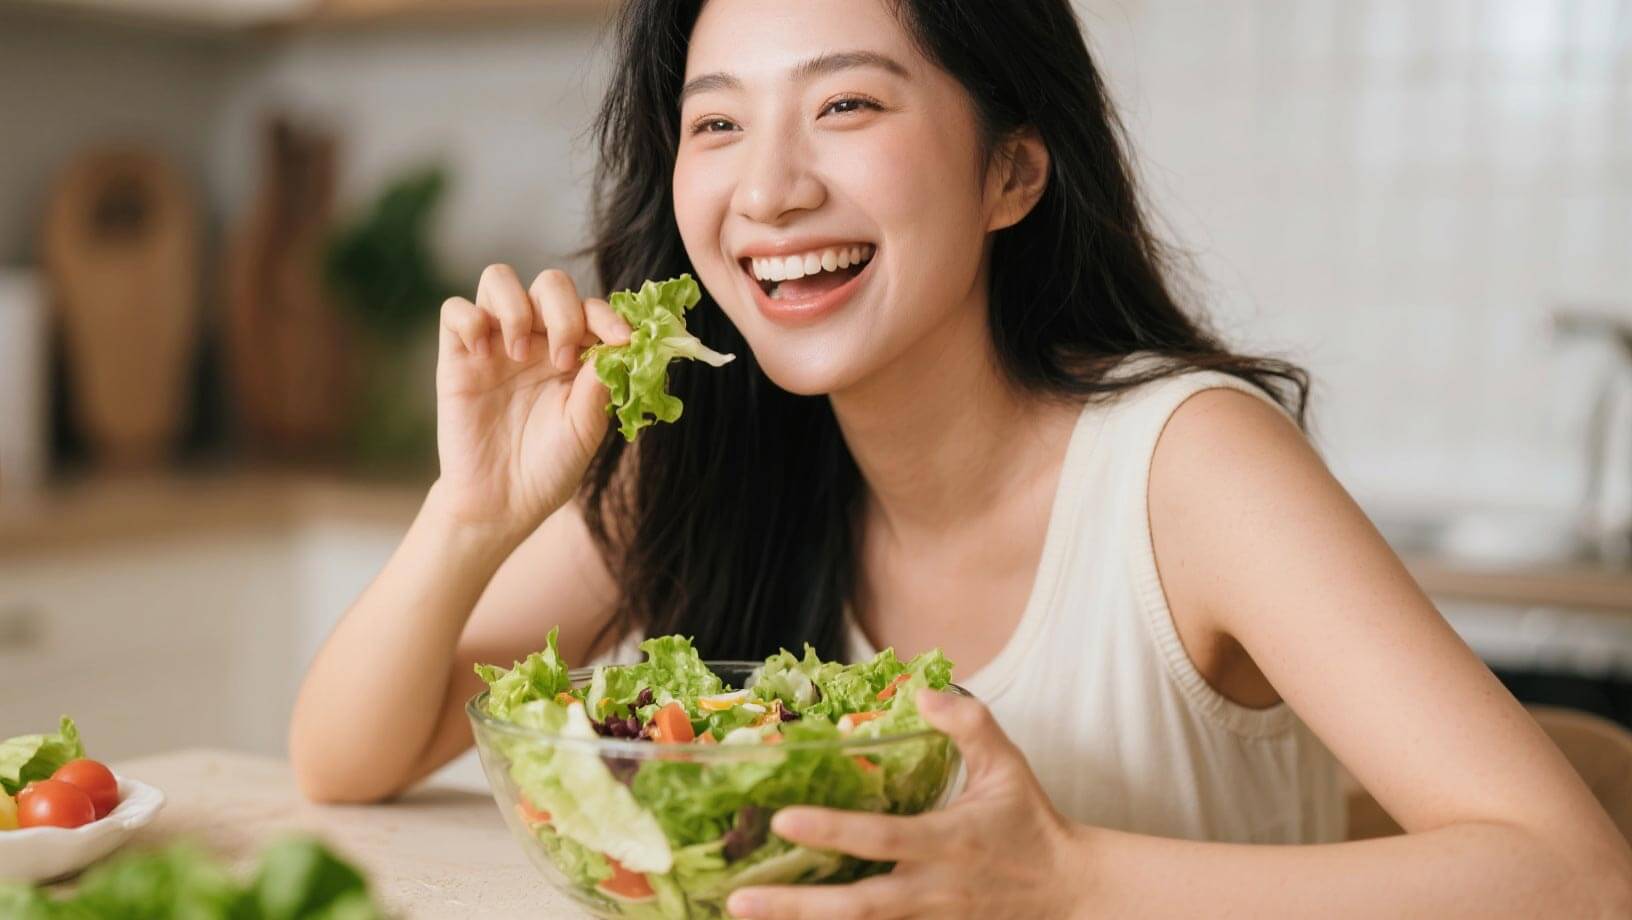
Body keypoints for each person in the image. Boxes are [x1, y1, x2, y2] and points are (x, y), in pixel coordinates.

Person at [289, 1, 1632, 916]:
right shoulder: (708, 459)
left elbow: (1576, 879)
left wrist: (1067, 878)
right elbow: (345, 759)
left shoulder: (1190, 469)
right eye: (715, 124)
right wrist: (469, 516)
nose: (767, 190)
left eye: (848, 106)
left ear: (1014, 170)